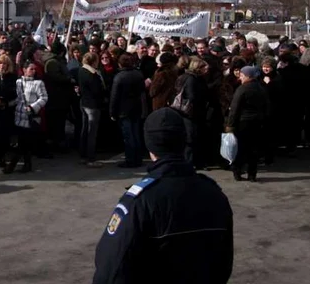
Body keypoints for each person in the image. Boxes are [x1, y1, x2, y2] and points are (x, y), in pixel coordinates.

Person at [92, 108, 234, 284]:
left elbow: (111, 267)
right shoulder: (215, 195)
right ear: (183, 141)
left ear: (149, 145)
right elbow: (224, 262)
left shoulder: (140, 201)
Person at [4, 61, 48, 174]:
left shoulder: (38, 83)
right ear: (24, 69)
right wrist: (7, 104)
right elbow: (18, 98)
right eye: (31, 69)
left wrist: (33, 107)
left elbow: (44, 98)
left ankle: (13, 164)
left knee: (24, 142)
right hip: (19, 117)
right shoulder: (19, 82)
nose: (33, 71)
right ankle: (27, 164)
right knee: (23, 142)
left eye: (34, 69)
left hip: (30, 117)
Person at [227, 66, 269, 182]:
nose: (240, 77)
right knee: (254, 150)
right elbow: (267, 106)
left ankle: (237, 171)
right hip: (257, 122)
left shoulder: (242, 89)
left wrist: (230, 125)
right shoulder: (261, 88)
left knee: (240, 148)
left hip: (243, 123)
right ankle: (252, 174)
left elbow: (234, 109)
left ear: (247, 76)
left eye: (241, 75)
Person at [109, 53, 145, 168]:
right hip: (136, 107)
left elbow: (114, 96)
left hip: (123, 109)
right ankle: (137, 158)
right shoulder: (138, 74)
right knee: (135, 134)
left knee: (128, 135)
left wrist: (112, 112)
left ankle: (130, 159)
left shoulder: (119, 77)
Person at [0, 54, 17, 169]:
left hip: (7, 110)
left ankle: (2, 157)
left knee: (5, 136)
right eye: (0, 63)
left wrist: (5, 102)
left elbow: (15, 94)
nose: (2, 66)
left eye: (4, 63)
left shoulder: (12, 77)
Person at [78, 52, 106, 165]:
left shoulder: (81, 70)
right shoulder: (92, 74)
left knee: (85, 129)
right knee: (91, 132)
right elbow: (97, 91)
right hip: (92, 105)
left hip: (84, 102)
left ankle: (83, 154)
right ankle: (91, 157)